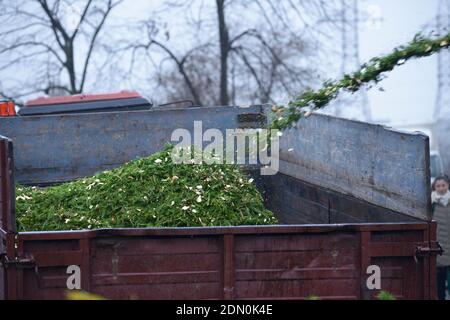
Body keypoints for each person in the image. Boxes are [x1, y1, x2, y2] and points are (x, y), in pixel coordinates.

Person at [432, 176, 450, 300]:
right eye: (438, 186)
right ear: (434, 187)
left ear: (448, 185)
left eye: (443, 185)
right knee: (440, 283)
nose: (441, 188)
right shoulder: (431, 203)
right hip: (439, 248)